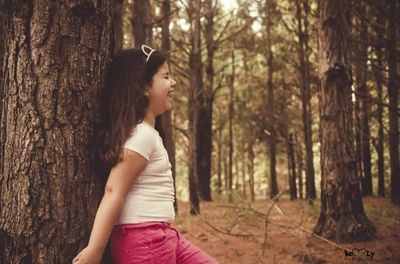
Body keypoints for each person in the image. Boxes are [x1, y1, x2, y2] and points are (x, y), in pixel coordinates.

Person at [72, 45, 219, 264]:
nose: (174, 82)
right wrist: (95, 249)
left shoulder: (146, 134)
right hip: (145, 240)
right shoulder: (141, 136)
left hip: (163, 235)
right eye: (166, 76)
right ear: (143, 87)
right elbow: (114, 191)